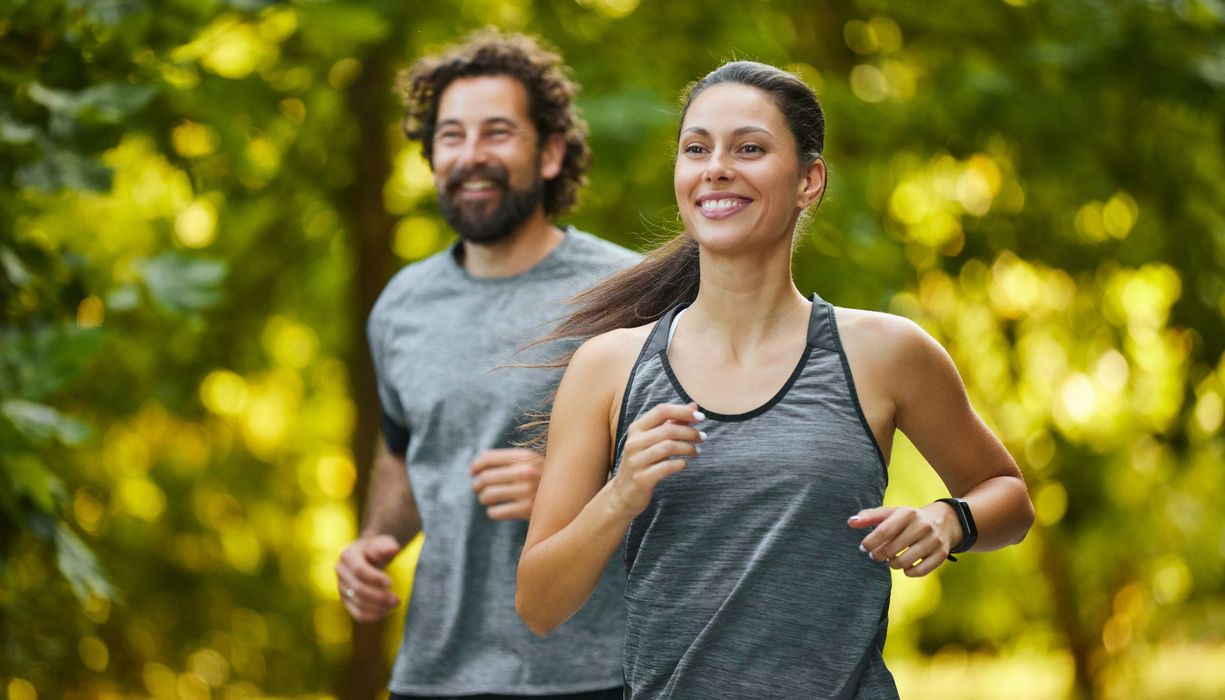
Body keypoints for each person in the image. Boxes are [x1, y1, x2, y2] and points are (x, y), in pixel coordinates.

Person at [516, 61, 1036, 699]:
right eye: (696, 149)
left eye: (750, 149)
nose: (717, 167)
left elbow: (1007, 494)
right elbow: (539, 603)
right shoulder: (610, 366)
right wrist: (621, 494)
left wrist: (949, 520)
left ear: (809, 180)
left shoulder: (885, 352)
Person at [335, 30, 636, 700]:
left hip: (596, 677)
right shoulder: (401, 306)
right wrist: (372, 544)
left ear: (551, 152)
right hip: (434, 674)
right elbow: (405, 452)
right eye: (450, 136)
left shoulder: (630, 295)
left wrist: (572, 489)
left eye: (496, 133)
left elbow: (715, 475)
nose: (471, 156)